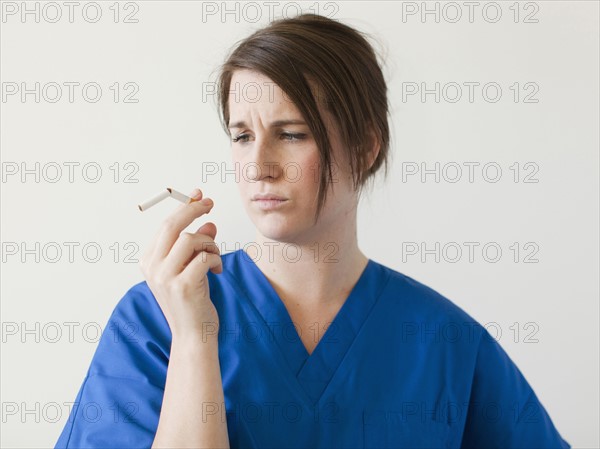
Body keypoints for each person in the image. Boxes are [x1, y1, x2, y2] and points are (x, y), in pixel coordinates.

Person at [54, 13, 571, 449]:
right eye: (242, 135)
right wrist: (194, 339)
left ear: (366, 148)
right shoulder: (154, 321)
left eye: (292, 134)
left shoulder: (445, 342)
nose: (258, 165)